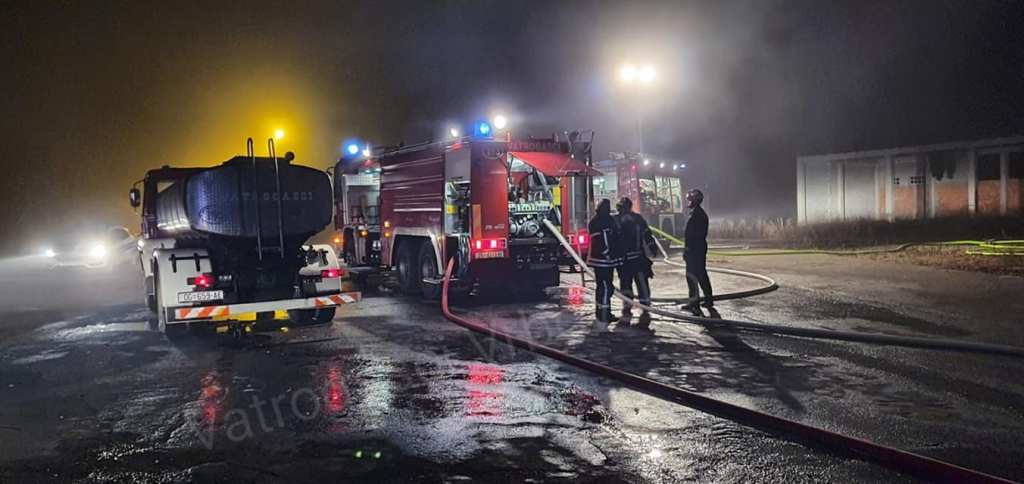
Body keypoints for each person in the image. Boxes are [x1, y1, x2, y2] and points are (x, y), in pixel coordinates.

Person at [615, 197, 656, 327]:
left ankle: (637, 306)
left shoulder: (619, 220)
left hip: (630, 260)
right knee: (631, 284)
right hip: (633, 259)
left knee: (630, 283)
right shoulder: (636, 219)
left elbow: (647, 234)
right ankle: (638, 305)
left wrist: (652, 246)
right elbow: (647, 234)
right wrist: (652, 247)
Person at [587, 199, 621, 323]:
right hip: (604, 260)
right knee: (607, 287)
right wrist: (610, 253)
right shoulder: (604, 222)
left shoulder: (595, 221)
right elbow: (606, 240)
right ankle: (605, 314)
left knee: (601, 286)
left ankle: (600, 311)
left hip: (599, 260)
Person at [683, 189, 714, 316]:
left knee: (692, 276)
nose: (688, 202)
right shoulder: (699, 213)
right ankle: (708, 300)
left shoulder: (696, 215)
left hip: (694, 249)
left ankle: (694, 304)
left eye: (690, 200)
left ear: (694, 201)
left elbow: (691, 235)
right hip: (699, 248)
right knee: (701, 274)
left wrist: (687, 250)